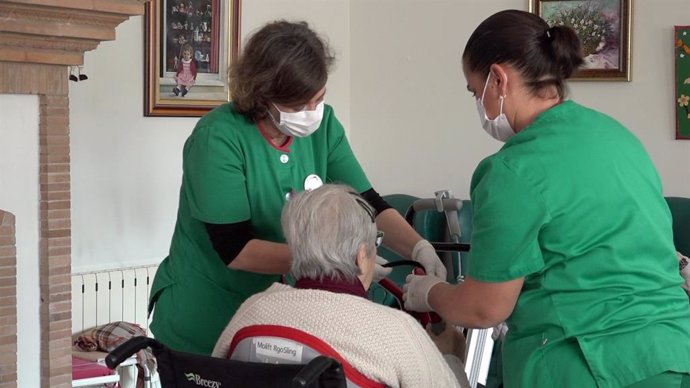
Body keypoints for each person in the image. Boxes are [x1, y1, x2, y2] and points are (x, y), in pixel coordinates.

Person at [402, 9, 690, 388]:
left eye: (475, 90)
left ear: (498, 79)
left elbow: (484, 307)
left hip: (587, 365)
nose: (478, 102)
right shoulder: (617, 137)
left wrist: (431, 294)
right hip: (672, 353)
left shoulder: (511, 170)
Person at [149, 20, 446, 356]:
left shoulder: (325, 126)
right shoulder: (218, 139)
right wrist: (336, 266)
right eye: (296, 105)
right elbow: (234, 249)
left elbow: (368, 204)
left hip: (276, 318)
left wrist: (419, 247)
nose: (310, 113)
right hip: (205, 316)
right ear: (262, 97)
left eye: (317, 99)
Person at [212, 184, 470, 388]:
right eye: (373, 244)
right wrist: (452, 358)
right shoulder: (396, 331)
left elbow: (213, 376)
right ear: (361, 256)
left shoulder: (251, 312)